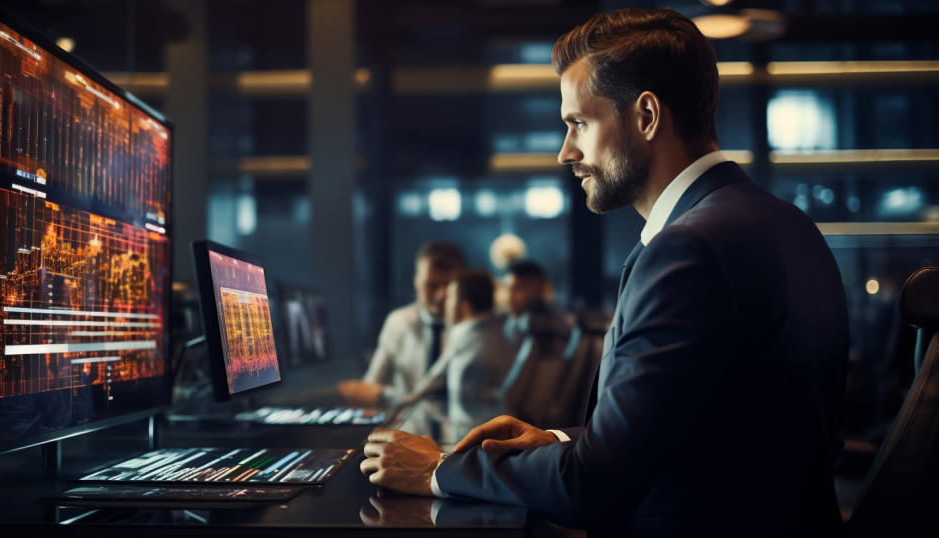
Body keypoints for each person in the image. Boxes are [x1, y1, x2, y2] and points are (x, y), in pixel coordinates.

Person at [359, 8, 849, 536]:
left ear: (646, 116)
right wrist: (560, 442)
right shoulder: (788, 225)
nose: (566, 151)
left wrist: (439, 469)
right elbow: (720, 429)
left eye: (578, 124)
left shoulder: (688, 250)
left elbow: (595, 487)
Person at [337, 241, 464, 407]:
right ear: (416, 282)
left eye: (448, 285)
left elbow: (468, 398)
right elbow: (371, 388)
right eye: (431, 285)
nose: (441, 295)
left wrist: (385, 396)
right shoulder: (398, 322)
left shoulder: (473, 329)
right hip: (407, 428)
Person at [405, 270, 516, 432]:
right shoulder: (503, 333)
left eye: (450, 297)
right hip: (502, 428)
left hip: (471, 436)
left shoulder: (465, 336)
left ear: (465, 306)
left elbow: (430, 383)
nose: (445, 302)